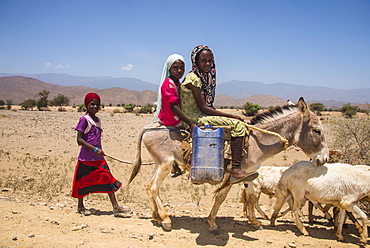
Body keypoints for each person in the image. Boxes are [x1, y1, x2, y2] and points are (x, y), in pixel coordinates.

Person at [180, 45, 258, 184]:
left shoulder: (202, 77)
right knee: (237, 125)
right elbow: (204, 108)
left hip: (199, 113)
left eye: (210, 60)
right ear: (195, 61)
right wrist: (232, 116)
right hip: (194, 116)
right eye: (204, 60)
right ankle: (236, 168)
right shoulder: (194, 79)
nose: (208, 64)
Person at [71, 92, 130, 216]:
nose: (94, 107)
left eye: (97, 105)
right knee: (81, 182)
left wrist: (98, 151)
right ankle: (80, 207)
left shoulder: (97, 120)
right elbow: (79, 139)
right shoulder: (84, 120)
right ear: (86, 105)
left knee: (108, 179)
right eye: (92, 104)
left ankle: (116, 207)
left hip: (98, 158)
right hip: (86, 158)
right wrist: (94, 149)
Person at [152, 54, 197, 130]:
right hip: (171, 119)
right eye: (175, 68)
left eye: (182, 67)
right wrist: (191, 124)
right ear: (169, 69)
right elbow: (174, 107)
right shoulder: (168, 84)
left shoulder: (176, 83)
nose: (179, 70)